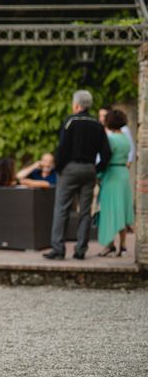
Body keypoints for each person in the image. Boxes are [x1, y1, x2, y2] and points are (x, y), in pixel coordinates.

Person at [43, 90, 111, 261]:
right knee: (85, 211)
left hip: (70, 170)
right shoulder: (97, 124)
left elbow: (62, 148)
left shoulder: (70, 121)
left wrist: (59, 167)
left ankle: (58, 249)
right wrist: (97, 168)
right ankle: (80, 250)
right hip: (89, 170)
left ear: (76, 105)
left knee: (62, 209)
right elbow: (106, 152)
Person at [97, 109, 134, 257]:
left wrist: (98, 174)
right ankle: (123, 246)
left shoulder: (110, 139)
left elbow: (104, 158)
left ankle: (109, 244)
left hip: (112, 174)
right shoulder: (125, 138)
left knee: (109, 210)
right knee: (122, 210)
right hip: (123, 174)